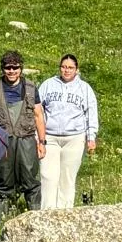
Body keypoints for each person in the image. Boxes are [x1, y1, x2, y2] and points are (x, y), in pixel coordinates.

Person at [0, 51, 46, 218]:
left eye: (15, 67)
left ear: (21, 68)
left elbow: (38, 115)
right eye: (8, 68)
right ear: (2, 68)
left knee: (30, 179)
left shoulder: (31, 87)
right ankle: (0, 219)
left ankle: (35, 217)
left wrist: (42, 142)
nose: (11, 71)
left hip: (26, 139)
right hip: (2, 141)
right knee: (2, 180)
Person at [39, 55, 99, 209]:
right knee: (48, 176)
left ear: (76, 70)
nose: (66, 70)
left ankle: (65, 211)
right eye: (64, 67)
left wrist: (91, 137)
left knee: (67, 177)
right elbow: (37, 111)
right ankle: (47, 211)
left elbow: (91, 113)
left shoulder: (85, 88)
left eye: (70, 67)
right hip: (49, 137)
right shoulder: (48, 85)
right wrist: (38, 137)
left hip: (74, 137)